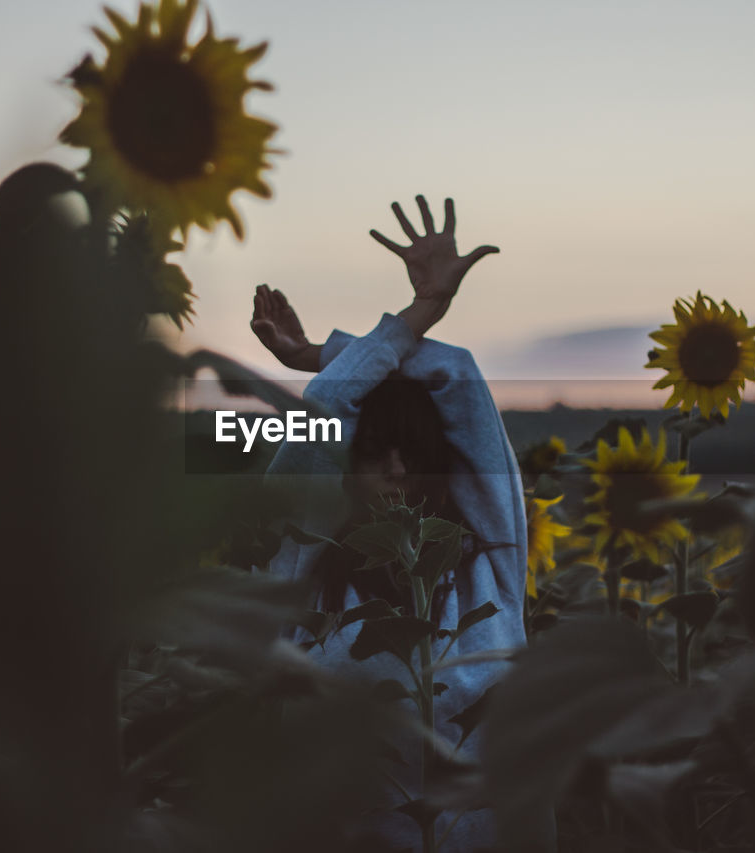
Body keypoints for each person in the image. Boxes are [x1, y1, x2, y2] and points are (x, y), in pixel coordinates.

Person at [253, 196, 527, 850]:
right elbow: (327, 405)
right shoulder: (304, 583)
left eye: (415, 451)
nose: (398, 470)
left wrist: (331, 347)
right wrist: (334, 359)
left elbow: (456, 375)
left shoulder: (492, 563)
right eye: (374, 450)